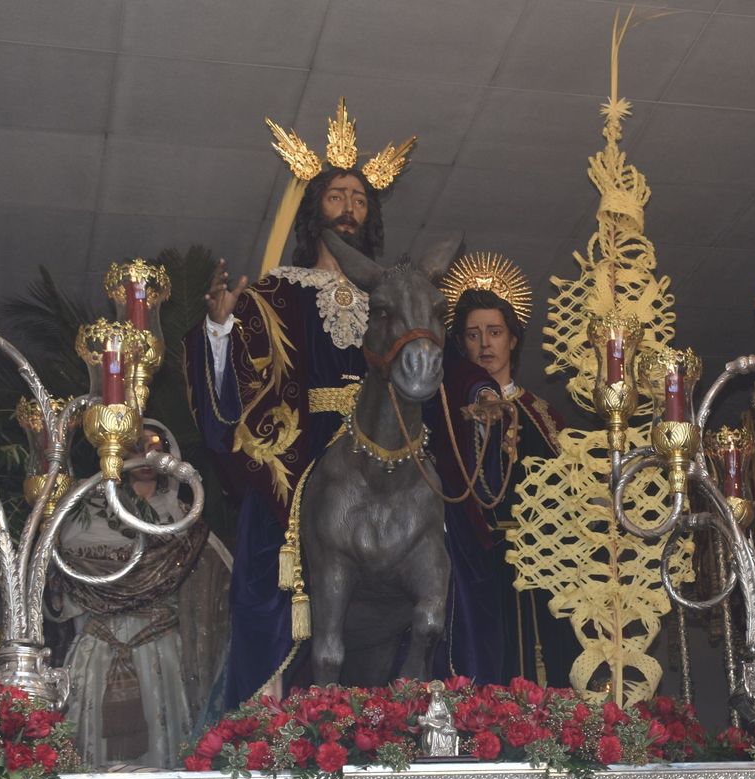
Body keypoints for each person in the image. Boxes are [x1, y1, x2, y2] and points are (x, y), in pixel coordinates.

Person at [184, 102, 505, 706]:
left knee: (460, 535)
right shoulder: (281, 290)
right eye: (337, 197)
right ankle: (269, 704)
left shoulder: (397, 291)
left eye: (360, 199)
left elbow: (441, 359)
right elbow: (247, 379)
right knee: (264, 539)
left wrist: (482, 395)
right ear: (316, 212)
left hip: (398, 437)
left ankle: (459, 692)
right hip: (305, 443)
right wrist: (221, 331)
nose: (350, 207)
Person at [52, 427, 229, 766]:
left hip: (161, 649)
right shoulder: (83, 516)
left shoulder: (181, 516)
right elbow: (63, 579)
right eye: (136, 445)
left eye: (155, 446)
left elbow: (213, 577)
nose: (146, 454)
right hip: (100, 647)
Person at [442, 255, 578, 686]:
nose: (485, 344)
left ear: (513, 339)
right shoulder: (450, 416)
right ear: (461, 344)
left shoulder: (545, 417)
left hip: (542, 566)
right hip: (478, 563)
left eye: (495, 332)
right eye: (473, 334)